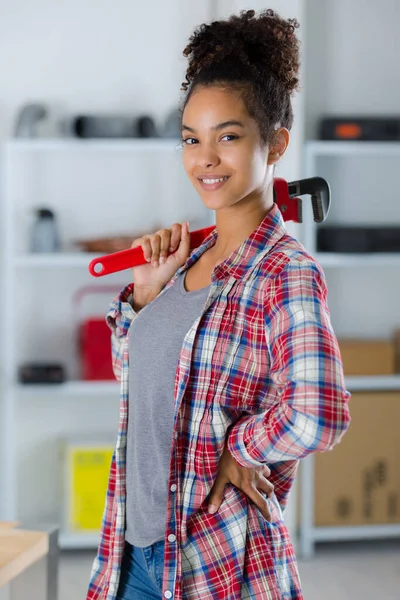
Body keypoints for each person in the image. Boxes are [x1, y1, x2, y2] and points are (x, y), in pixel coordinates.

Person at [86, 8, 351, 600]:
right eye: (191, 139)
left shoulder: (286, 273)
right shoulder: (187, 263)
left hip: (218, 565)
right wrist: (146, 299)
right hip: (130, 554)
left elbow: (319, 411)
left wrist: (240, 448)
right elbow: (140, 387)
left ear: (276, 143)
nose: (205, 158)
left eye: (228, 136)